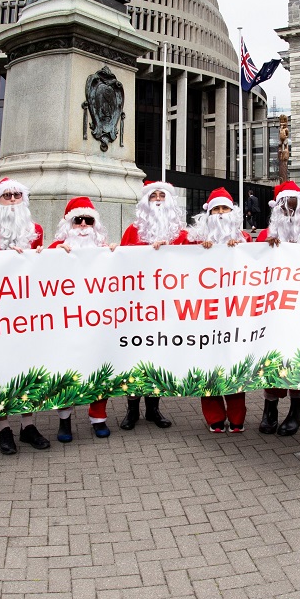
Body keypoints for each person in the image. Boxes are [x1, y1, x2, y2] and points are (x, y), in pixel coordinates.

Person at [0, 177, 50, 454]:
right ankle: (3, 428)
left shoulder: (36, 230)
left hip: (26, 312)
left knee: (27, 367)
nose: (11, 201)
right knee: (1, 369)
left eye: (16, 196)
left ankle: (28, 424)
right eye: (6, 196)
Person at [44, 196, 117, 441]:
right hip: (66, 324)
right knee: (66, 370)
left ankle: (98, 418)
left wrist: (117, 255)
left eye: (88, 220)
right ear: (69, 224)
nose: (83, 225)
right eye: (78, 221)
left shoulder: (103, 249)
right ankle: (65, 421)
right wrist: (55, 253)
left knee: (98, 368)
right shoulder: (56, 248)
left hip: (98, 323)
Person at [115, 180, 186, 431]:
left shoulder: (181, 234)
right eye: (153, 195)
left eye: (162, 195)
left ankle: (153, 409)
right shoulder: (133, 231)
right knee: (135, 358)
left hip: (167, 308)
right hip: (137, 308)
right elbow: (120, 263)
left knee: (158, 357)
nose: (157, 199)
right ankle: (132, 410)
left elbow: (199, 260)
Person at [256, 181, 300, 435]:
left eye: (293, 207)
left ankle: (296, 411)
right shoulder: (266, 236)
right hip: (272, 312)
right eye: (285, 208)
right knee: (272, 360)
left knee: (297, 361)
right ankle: (269, 409)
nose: (289, 212)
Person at [188, 188, 250, 431]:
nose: (221, 213)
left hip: (234, 313)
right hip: (204, 315)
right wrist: (198, 249)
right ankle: (214, 417)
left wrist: (240, 248)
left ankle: (237, 418)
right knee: (208, 365)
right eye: (216, 209)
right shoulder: (195, 239)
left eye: (225, 208)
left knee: (233, 363)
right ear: (208, 213)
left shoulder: (243, 238)